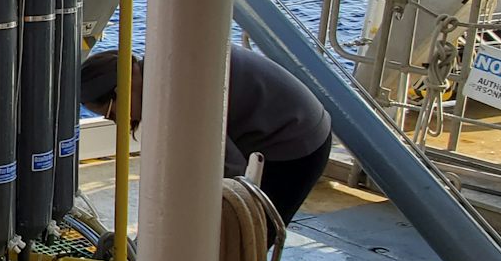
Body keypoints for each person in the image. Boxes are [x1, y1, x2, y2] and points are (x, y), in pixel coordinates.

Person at [78, 44, 335, 227]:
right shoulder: (161, 66)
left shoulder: (176, 96)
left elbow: (230, 176)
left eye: (112, 114)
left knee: (248, 240)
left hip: (296, 145)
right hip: (285, 126)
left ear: (121, 90)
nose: (121, 122)